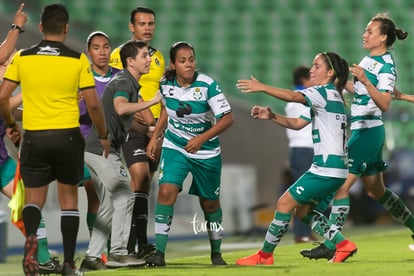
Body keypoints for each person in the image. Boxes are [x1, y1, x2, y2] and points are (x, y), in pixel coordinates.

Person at [0, 4, 110, 276]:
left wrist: (14, 122)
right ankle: (69, 265)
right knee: (68, 202)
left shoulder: (23, 59)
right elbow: (94, 106)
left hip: (27, 143)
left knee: (28, 202)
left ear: (40, 27)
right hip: (66, 138)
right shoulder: (76, 59)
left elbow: (6, 102)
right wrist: (104, 134)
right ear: (67, 28)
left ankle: (40, 256)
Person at [301, 13, 414, 260]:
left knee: (341, 186)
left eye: (370, 31)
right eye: (365, 30)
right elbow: (361, 92)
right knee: (377, 192)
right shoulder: (368, 59)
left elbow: (384, 103)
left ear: (383, 37)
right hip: (364, 130)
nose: (365, 34)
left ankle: (334, 245)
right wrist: (344, 82)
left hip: (368, 131)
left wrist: (364, 80)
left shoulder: (386, 65)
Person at [235, 52, 357, 266]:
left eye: (317, 66)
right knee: (302, 210)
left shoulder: (322, 92)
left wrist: (262, 87)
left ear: (330, 73)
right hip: (336, 169)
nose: (312, 70)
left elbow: (293, 96)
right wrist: (272, 116)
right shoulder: (334, 96)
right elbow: (298, 123)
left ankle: (265, 256)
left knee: (284, 203)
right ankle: (341, 243)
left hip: (325, 168)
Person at [145, 41, 234, 267]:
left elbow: (228, 118)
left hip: (206, 151)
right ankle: (159, 252)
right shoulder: (165, 83)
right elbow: (166, 110)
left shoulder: (208, 85)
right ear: (173, 64)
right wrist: (156, 137)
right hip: (175, 146)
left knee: (210, 204)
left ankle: (216, 252)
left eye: (191, 60)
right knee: (166, 191)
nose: (189, 65)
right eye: (183, 61)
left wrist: (200, 139)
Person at [83, 39, 160, 269]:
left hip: (93, 150)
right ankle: (118, 253)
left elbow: (124, 119)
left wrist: (149, 130)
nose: (149, 60)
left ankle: (92, 256)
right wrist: (155, 101)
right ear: (130, 61)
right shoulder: (125, 81)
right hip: (103, 150)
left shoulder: (127, 81)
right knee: (126, 195)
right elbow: (121, 108)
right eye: (144, 56)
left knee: (108, 205)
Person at [109, 6, 165, 259]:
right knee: (139, 176)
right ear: (132, 27)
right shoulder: (119, 55)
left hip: (155, 130)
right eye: (142, 24)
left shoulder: (159, 58)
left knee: (145, 184)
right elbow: (117, 91)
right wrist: (145, 118)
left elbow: (161, 95)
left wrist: (157, 128)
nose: (147, 28)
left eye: (151, 23)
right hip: (133, 126)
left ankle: (139, 242)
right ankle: (124, 244)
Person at [78, 31, 121, 271]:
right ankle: (99, 253)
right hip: (87, 144)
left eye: (106, 47)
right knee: (97, 196)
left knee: (113, 198)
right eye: (96, 47)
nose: (102, 52)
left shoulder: (120, 77)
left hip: (113, 145)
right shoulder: (81, 77)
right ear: (89, 52)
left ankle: (111, 249)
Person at [285, 66, 316, 243]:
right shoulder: (300, 99)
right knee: (302, 193)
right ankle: (301, 233)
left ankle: (305, 231)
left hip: (303, 149)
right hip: (303, 149)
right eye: (311, 77)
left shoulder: (295, 99)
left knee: (309, 194)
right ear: (304, 80)